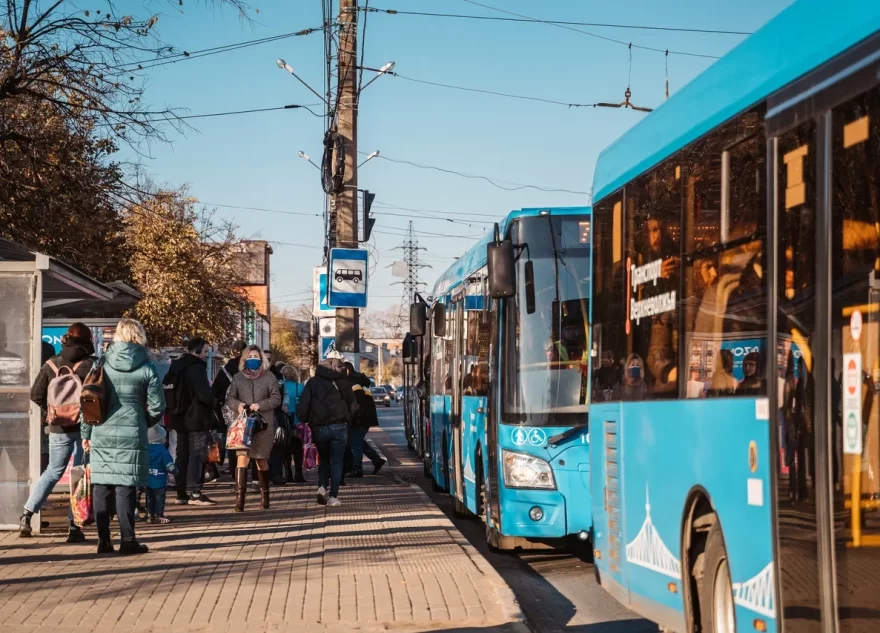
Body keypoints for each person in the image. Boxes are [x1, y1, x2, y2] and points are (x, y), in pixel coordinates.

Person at [82, 318, 164, 555]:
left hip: (102, 429)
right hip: (133, 431)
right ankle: (128, 540)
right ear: (139, 336)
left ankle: (103, 541)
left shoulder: (101, 364)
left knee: (101, 485)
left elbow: (87, 399)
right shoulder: (147, 366)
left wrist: (86, 433)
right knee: (125, 486)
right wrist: (143, 420)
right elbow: (158, 406)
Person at [20, 323, 96, 541]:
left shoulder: (51, 364)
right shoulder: (90, 365)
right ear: (87, 340)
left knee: (53, 471)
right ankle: (74, 526)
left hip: (57, 426)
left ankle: (27, 515)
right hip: (84, 429)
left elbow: (36, 394)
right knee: (80, 474)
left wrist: (52, 410)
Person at [226, 346, 282, 512]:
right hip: (244, 425)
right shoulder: (238, 377)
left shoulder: (269, 376)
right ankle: (239, 499)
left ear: (261, 359)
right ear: (244, 358)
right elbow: (230, 398)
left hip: (263, 425)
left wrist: (261, 405)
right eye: (250, 356)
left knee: (261, 460)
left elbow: (276, 398)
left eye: (256, 356)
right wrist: (238, 405)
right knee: (242, 459)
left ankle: (265, 496)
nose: (253, 358)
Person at [296, 351, 355, 507]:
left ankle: (322, 487)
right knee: (337, 462)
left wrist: (306, 420)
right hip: (340, 427)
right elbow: (354, 405)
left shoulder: (313, 382)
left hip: (319, 428)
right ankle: (333, 497)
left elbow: (303, 405)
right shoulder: (344, 383)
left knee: (323, 460)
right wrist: (349, 418)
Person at [168, 338, 217, 506]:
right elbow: (205, 395)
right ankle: (195, 492)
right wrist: (213, 397)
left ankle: (181, 493)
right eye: (205, 352)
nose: (206, 355)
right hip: (196, 418)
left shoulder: (176, 367)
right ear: (196, 351)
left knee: (182, 454)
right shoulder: (196, 368)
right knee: (197, 454)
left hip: (178, 417)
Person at [343, 362, 386, 477]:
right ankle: (377, 460)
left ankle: (357, 470)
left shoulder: (353, 382)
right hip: (365, 417)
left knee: (355, 443)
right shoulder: (360, 380)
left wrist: (353, 418)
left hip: (359, 418)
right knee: (358, 441)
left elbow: (357, 404)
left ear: (347, 371)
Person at [212, 340, 247, 473]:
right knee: (249, 441)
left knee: (233, 441)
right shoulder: (248, 369)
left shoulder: (225, 370)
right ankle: (250, 471)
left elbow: (215, 392)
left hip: (230, 411)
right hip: (248, 409)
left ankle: (235, 472)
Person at [282, 365, 307, 483]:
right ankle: (298, 473)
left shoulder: (281, 386)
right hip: (298, 422)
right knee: (298, 449)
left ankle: (288, 474)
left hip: (284, 422)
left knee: (285, 448)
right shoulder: (300, 387)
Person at [146, 424, 176, 524]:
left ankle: (150, 514)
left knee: (150, 498)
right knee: (159, 498)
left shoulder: (145, 449)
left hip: (147, 479)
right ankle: (159, 515)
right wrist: (175, 470)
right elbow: (169, 465)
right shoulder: (163, 451)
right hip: (159, 480)